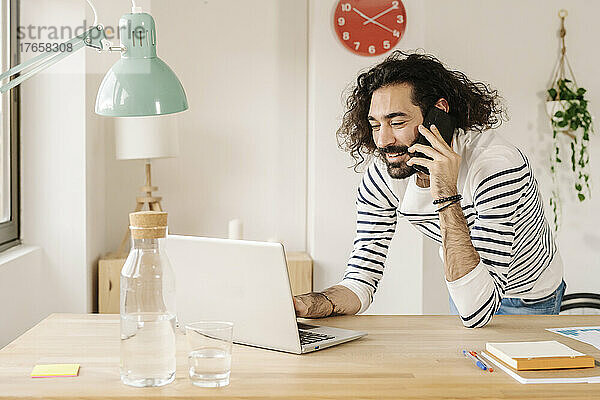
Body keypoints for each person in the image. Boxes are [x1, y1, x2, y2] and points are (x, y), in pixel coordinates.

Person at [294, 51, 565, 328]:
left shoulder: (495, 166)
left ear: (439, 112)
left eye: (397, 122)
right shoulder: (385, 175)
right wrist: (312, 304)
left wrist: (446, 191)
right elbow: (360, 279)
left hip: (529, 295)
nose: (384, 140)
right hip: (466, 282)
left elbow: (478, 310)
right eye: (375, 125)